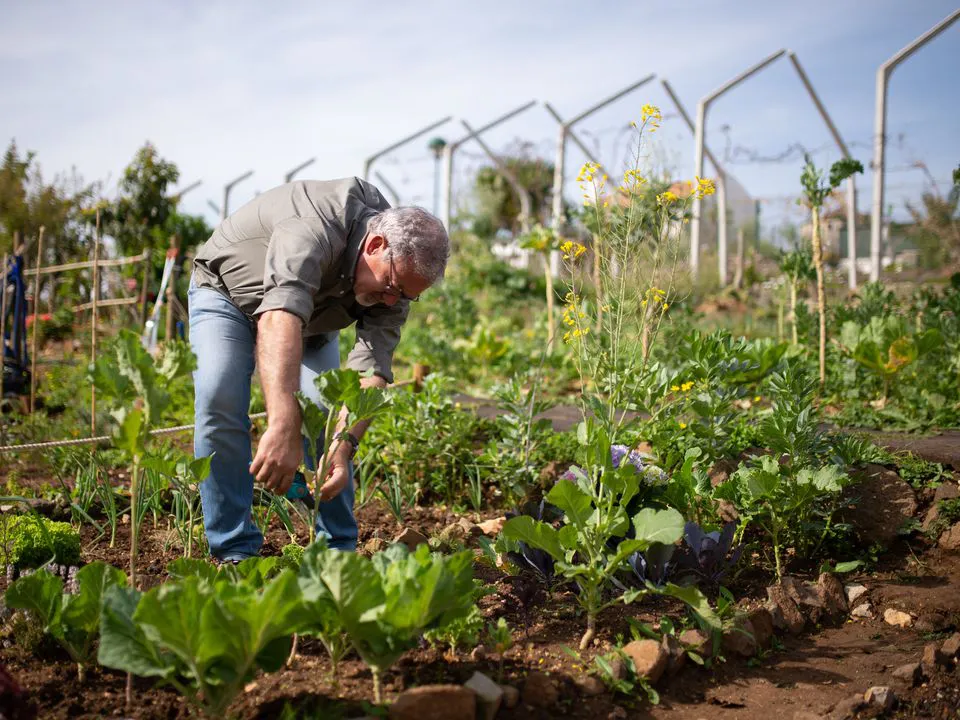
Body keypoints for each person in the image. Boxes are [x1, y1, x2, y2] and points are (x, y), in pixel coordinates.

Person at [188, 177, 449, 562]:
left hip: (311, 319)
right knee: (220, 395)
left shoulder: (396, 284)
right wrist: (282, 423)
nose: (393, 300)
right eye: (392, 285)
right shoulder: (315, 225)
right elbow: (279, 318)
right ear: (375, 246)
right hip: (228, 294)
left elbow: (371, 372)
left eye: (406, 295)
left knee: (326, 413)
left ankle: (337, 552)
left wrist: (342, 450)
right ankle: (234, 551)